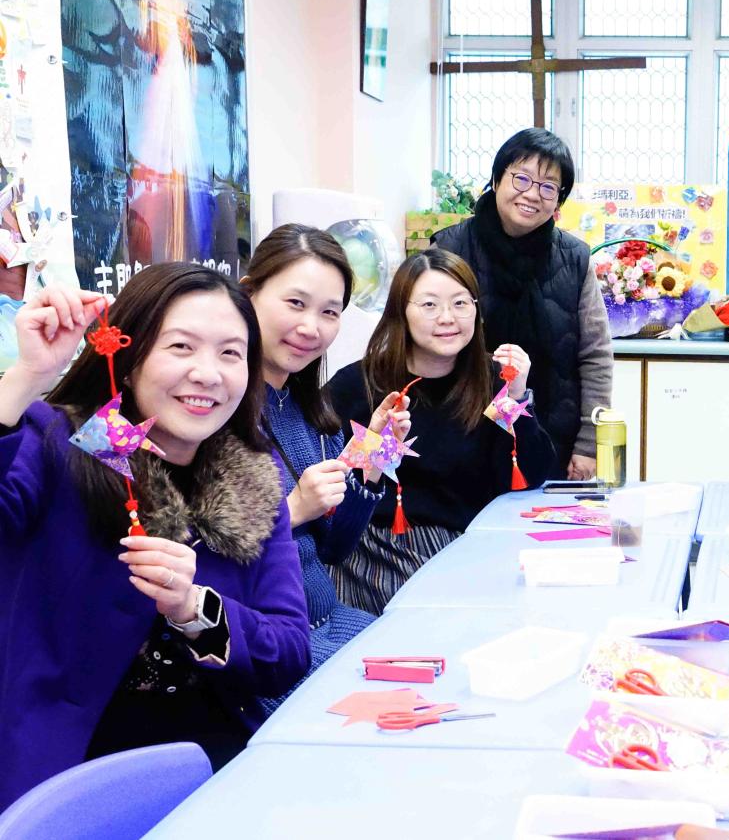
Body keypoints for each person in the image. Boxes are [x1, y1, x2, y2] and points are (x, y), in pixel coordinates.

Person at [0, 265, 310, 808]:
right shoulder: (60, 443)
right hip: (65, 769)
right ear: (130, 354)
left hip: (212, 759)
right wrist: (27, 376)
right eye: (181, 346)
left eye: (231, 353)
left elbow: (288, 651)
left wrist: (193, 609)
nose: (207, 374)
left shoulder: (253, 481)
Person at [326, 248, 557, 614]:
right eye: (430, 305)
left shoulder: (492, 380)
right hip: (381, 551)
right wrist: (377, 447)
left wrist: (514, 398)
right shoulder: (359, 385)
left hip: (472, 545)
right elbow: (340, 486)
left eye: (460, 303)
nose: (447, 318)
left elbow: (530, 476)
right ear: (401, 311)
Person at [242, 224, 406, 710]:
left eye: (329, 312)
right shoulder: (216, 412)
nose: (311, 327)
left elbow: (334, 548)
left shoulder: (310, 410)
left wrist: (372, 458)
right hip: (273, 651)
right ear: (248, 294)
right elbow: (201, 558)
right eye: (296, 303)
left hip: (330, 623)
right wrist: (291, 511)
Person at [433, 127, 611, 481]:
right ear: (497, 178)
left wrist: (589, 444)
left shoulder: (575, 259)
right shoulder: (450, 249)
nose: (532, 194)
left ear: (558, 201)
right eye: (522, 178)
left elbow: (595, 356)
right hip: (461, 435)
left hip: (551, 437)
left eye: (548, 187)